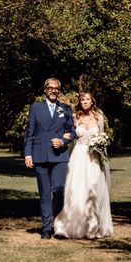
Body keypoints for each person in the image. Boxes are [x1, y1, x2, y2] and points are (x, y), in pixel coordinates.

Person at [53, 92, 113, 239]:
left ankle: (93, 227)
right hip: (78, 156)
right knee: (75, 188)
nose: (85, 102)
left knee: (92, 187)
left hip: (93, 158)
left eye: (87, 99)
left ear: (92, 102)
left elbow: (102, 136)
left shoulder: (99, 117)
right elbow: (71, 136)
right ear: (80, 102)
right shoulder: (75, 118)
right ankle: (67, 225)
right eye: (82, 100)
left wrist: (100, 146)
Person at [24, 78, 76, 239]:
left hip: (59, 156)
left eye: (56, 88)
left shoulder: (65, 109)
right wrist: (28, 154)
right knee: (45, 193)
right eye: (50, 88)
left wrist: (63, 141)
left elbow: (72, 132)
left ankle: (55, 221)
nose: (53, 90)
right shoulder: (36, 107)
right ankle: (46, 227)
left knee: (59, 190)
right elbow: (29, 133)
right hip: (39, 155)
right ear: (45, 89)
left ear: (59, 91)